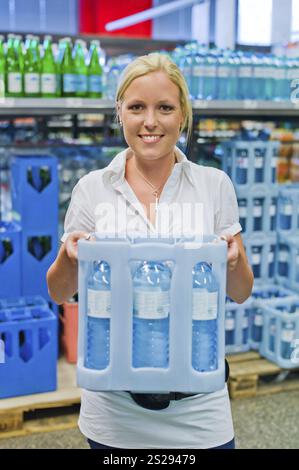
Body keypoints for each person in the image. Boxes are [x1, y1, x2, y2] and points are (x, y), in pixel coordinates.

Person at [47, 53, 254, 450]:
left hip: (198, 407)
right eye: (137, 107)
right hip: (114, 411)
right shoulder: (93, 188)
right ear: (120, 113)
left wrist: (234, 260)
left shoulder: (214, 185)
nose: (151, 121)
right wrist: (69, 259)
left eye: (165, 108)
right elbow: (58, 293)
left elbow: (241, 291)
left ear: (182, 115)